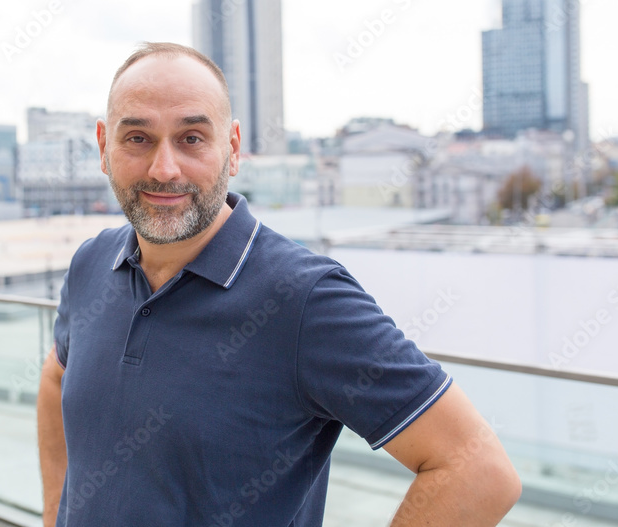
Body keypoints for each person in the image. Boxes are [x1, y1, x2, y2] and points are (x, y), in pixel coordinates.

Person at [37, 41, 520, 526]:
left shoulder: (306, 299)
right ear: (103, 147)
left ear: (232, 147)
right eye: (138, 138)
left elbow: (478, 469)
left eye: (192, 138)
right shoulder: (92, 261)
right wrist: (56, 513)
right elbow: (57, 377)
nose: (165, 169)